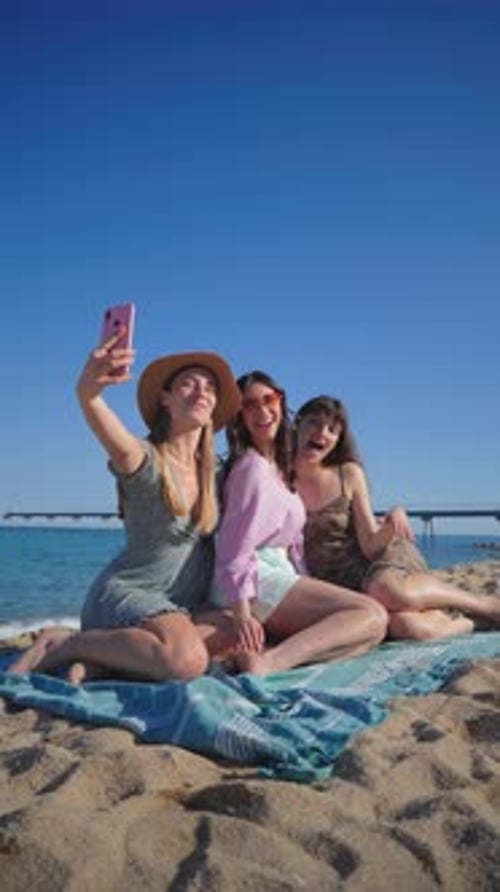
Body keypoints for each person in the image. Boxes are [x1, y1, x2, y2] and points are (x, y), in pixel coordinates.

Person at [9, 329, 242, 682]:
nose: (202, 393)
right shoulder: (145, 460)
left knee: (237, 630)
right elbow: (97, 413)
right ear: (165, 398)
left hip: (181, 607)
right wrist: (90, 390)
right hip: (129, 596)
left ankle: (107, 659)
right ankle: (68, 644)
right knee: (186, 661)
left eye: (210, 388)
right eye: (189, 384)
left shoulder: (219, 473)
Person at [210, 371, 388, 675]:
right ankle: (269, 663)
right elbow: (233, 548)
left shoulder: (278, 467)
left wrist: (306, 582)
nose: (263, 411)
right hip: (252, 579)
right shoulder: (251, 468)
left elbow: (293, 545)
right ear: (238, 416)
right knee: (370, 613)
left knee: (368, 633)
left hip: (274, 573)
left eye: (269, 400)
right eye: (250, 405)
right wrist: (241, 615)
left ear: (281, 401)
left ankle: (270, 657)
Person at [293, 395, 500, 640]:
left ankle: (484, 605)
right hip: (340, 587)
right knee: (407, 628)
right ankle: (470, 622)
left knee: (384, 589)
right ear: (298, 424)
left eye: (332, 429)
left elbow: (371, 545)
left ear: (338, 440)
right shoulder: (278, 476)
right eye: (314, 422)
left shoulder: (347, 473)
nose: (322, 433)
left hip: (379, 562)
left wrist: (394, 519)